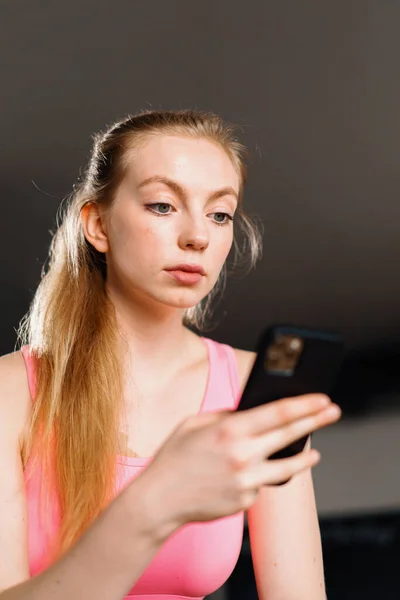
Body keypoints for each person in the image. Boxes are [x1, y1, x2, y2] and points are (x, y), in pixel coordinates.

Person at [0, 109, 341, 600]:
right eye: (163, 206)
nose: (197, 236)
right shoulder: (11, 392)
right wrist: (155, 502)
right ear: (97, 226)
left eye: (219, 214)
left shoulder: (251, 390)